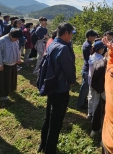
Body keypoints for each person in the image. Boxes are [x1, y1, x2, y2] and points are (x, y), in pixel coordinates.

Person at [38, 22, 77, 154]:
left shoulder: (52, 43)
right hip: (60, 88)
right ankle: (50, 150)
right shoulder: (63, 48)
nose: (71, 36)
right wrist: (72, 81)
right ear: (66, 33)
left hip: (51, 85)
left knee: (48, 116)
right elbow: (69, 69)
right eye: (71, 34)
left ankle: (43, 144)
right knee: (56, 121)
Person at [0, 28, 23, 101]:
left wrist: (18, 59)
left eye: (18, 38)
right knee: (3, 80)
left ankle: (10, 90)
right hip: (4, 64)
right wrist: (0, 65)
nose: (16, 39)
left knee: (11, 78)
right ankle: (1, 95)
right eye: (15, 38)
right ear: (10, 35)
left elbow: (17, 50)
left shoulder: (16, 40)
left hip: (13, 63)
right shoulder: (1, 41)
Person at [76, 29, 98, 110]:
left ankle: (83, 101)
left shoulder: (87, 43)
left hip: (86, 67)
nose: (95, 37)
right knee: (84, 88)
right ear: (89, 37)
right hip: (87, 69)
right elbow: (91, 57)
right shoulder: (88, 46)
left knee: (85, 87)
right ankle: (80, 104)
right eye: (94, 36)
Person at [87, 40, 106, 120]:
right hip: (97, 82)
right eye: (102, 49)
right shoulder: (101, 59)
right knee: (96, 99)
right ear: (100, 49)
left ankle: (89, 113)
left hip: (90, 81)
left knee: (90, 97)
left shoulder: (91, 56)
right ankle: (94, 116)